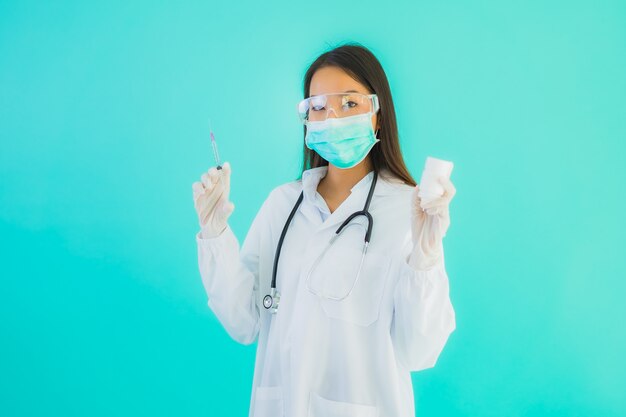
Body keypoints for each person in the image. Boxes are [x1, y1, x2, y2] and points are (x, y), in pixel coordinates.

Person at [192, 43, 457, 417]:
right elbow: (244, 322)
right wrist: (215, 231)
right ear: (306, 118)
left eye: (349, 104)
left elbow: (420, 349)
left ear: (378, 115)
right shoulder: (282, 206)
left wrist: (426, 256)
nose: (332, 118)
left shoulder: (410, 210)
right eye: (318, 107)